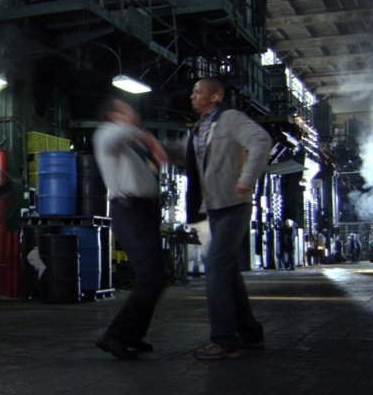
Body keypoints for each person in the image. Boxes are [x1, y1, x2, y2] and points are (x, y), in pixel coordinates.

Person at [164, 77, 272, 360]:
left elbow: (261, 140)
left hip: (234, 204)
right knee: (228, 271)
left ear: (215, 97)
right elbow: (198, 163)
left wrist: (247, 178)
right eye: (192, 91)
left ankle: (225, 340)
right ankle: (250, 335)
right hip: (212, 208)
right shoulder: (200, 129)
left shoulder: (230, 119)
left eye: (198, 91)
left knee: (215, 267)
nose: (192, 95)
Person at [92, 98, 167, 361]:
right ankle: (114, 335)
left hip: (143, 212)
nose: (133, 112)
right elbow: (118, 136)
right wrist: (146, 137)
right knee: (149, 277)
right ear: (114, 115)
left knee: (157, 277)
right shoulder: (106, 135)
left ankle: (133, 335)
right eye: (126, 110)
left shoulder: (129, 145)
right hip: (129, 211)